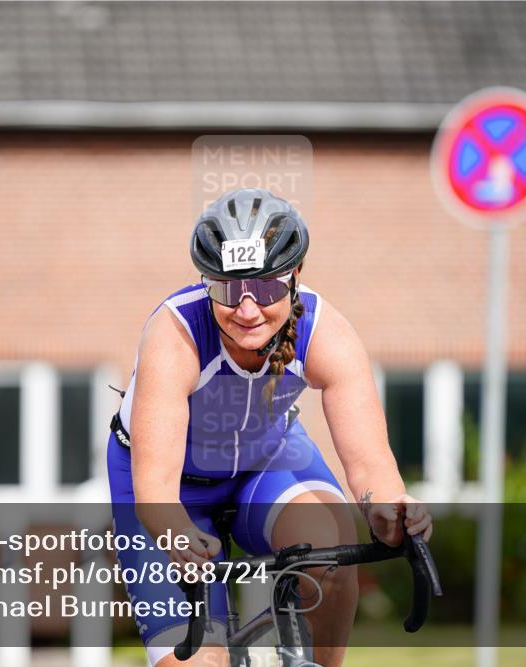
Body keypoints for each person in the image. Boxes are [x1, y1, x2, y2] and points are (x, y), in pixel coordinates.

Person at [107, 188, 433, 667]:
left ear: (295, 276)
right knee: (198, 662)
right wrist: (177, 534)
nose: (246, 309)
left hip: (265, 463)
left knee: (328, 554)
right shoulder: (174, 335)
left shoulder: (325, 333)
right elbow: (155, 486)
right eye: (226, 289)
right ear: (205, 282)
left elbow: (370, 464)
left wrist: (390, 507)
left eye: (263, 288)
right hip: (170, 492)